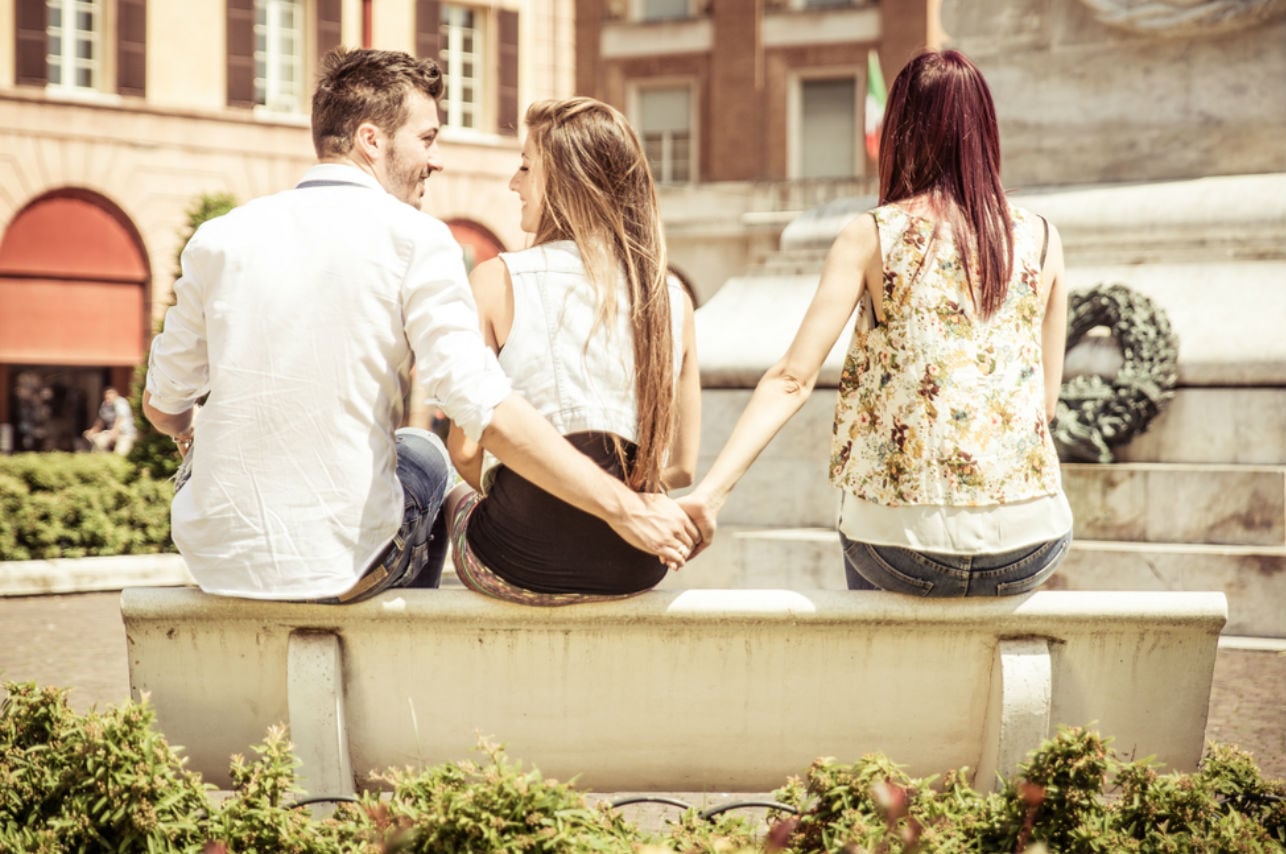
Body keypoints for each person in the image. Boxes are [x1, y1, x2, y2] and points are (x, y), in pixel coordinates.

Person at [142, 48, 698, 604]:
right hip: (346, 568)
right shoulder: (416, 238)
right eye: (427, 139)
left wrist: (190, 432)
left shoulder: (218, 238)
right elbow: (484, 407)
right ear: (371, 140)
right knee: (420, 452)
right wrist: (625, 507)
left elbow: (162, 405)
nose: (437, 161)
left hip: (216, 560)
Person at [680, 49, 1072, 597]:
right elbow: (1045, 406)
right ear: (986, 130)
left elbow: (793, 379)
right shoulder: (1043, 238)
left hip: (907, 551)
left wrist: (710, 494)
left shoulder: (872, 234)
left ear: (900, 133)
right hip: (1031, 544)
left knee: (870, 534)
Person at [443, 97, 701, 605]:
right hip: (635, 567)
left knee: (426, 466)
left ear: (566, 181)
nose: (512, 184)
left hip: (515, 563)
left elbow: (464, 450)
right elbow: (683, 467)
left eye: (525, 167)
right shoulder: (671, 296)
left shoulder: (496, 280)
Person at [84, 387, 136, 455]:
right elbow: (101, 420)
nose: (108, 399)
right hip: (112, 432)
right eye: (106, 397)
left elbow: (120, 418)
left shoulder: (121, 402)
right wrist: (93, 430)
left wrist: (114, 433)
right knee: (99, 442)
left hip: (125, 433)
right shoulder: (105, 404)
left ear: (116, 395)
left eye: (110, 396)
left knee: (120, 454)